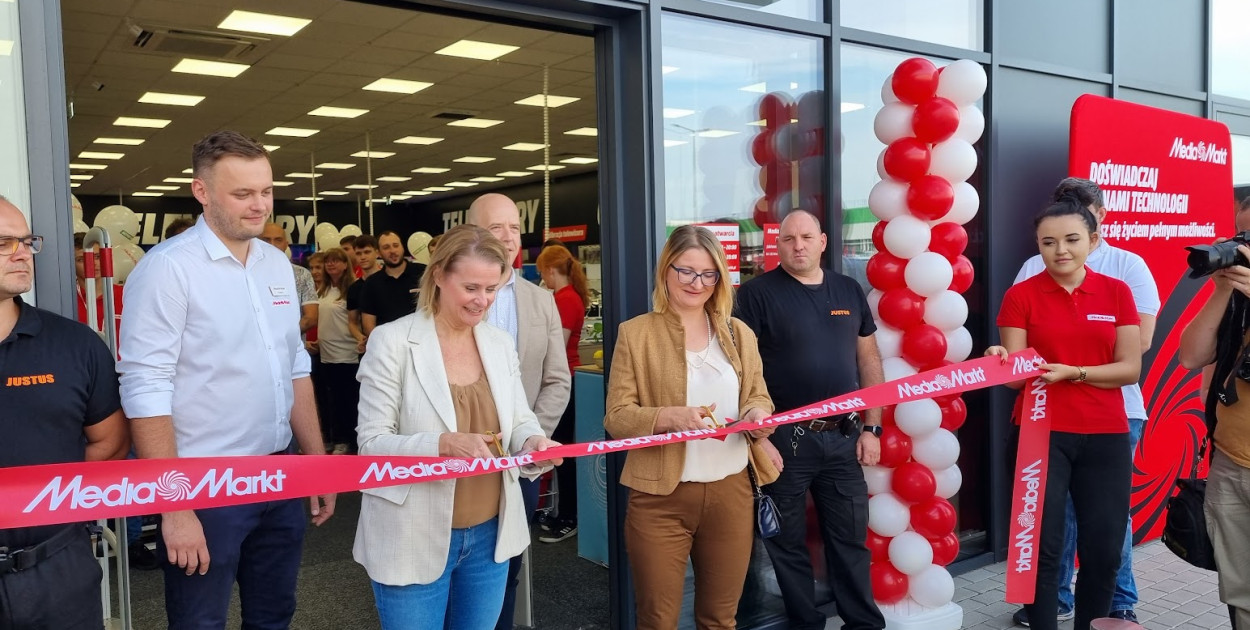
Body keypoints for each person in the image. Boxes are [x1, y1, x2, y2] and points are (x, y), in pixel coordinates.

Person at [118, 130, 335, 630]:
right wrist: (173, 506)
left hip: (278, 473)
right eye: (242, 194)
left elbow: (294, 366)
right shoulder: (168, 270)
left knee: (275, 613)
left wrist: (317, 463)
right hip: (205, 482)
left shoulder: (277, 265)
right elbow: (145, 387)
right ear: (202, 192)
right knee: (199, 621)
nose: (259, 206)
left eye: (266, 191)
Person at [353, 224, 562, 630]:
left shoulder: (498, 343)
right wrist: (442, 444)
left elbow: (518, 419)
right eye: (471, 288)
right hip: (411, 532)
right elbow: (372, 443)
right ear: (438, 277)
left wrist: (533, 440)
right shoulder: (391, 341)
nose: (482, 300)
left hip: (491, 535)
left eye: (492, 288)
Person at [605, 224, 782, 629]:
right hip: (659, 499)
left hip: (731, 493)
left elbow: (759, 397)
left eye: (707, 274)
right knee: (658, 620)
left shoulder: (739, 333)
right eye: (685, 270)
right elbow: (616, 417)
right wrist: (668, 417)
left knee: (720, 619)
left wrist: (757, 418)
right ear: (666, 269)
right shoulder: (635, 334)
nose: (696, 283)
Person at [985, 194, 1141, 630]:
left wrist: (1076, 372)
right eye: (1048, 242)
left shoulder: (1116, 291)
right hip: (1040, 435)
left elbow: (1130, 368)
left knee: (1105, 548)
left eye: (1072, 239)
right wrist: (1001, 359)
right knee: (1043, 547)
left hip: (1106, 433)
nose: (1060, 251)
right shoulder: (1021, 296)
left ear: (1093, 239)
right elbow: (1016, 377)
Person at [734, 210, 885, 630]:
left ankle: (864, 625)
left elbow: (868, 358)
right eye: (788, 239)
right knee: (786, 544)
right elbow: (742, 369)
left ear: (822, 241)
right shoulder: (755, 295)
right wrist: (758, 438)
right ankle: (806, 624)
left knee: (851, 542)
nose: (797, 245)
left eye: (805, 237)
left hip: (842, 437)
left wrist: (873, 427)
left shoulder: (849, 290)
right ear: (777, 245)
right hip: (783, 440)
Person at [0, 195, 130, 629]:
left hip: (57, 567)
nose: (21, 254)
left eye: (26, 241)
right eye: (3, 243)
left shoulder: (76, 345)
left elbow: (110, 442)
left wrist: (42, 498)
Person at [465, 193, 570, 630]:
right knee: (452, 569)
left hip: (521, 464)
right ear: (471, 235)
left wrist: (528, 441)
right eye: (496, 228)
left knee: (506, 569)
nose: (508, 238)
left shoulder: (540, 300)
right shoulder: (448, 298)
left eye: (514, 228)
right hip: (459, 459)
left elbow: (557, 380)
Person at [1179, 195, 1250, 630]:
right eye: (1242, 235)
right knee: (1241, 593)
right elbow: (1190, 356)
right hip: (1231, 463)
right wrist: (1222, 289)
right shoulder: (1237, 296)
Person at [535, 244, 590, 543]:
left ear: (551, 270)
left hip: (564, 381)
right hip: (562, 379)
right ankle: (562, 512)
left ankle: (569, 515)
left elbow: (556, 346)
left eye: (543, 272)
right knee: (559, 451)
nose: (543, 278)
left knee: (564, 453)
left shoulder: (565, 300)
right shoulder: (562, 298)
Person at [317, 247, 362, 455]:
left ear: (346, 264)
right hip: (326, 355)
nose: (331, 264)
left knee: (349, 401)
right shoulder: (321, 291)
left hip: (348, 353)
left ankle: (349, 441)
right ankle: (334, 438)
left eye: (336, 260)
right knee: (330, 402)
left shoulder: (353, 289)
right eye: (328, 261)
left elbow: (356, 321)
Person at [360, 230, 426, 337]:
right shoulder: (371, 283)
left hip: (421, 342)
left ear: (402, 247)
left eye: (396, 245)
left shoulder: (423, 273)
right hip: (388, 347)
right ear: (378, 253)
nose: (392, 250)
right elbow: (368, 324)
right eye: (386, 247)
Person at [260, 222, 318, 335]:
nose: (272, 244)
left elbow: (311, 318)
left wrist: (281, 338)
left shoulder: (301, 274)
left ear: (286, 244)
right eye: (266, 240)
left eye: (278, 240)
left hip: (293, 349)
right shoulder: (245, 274)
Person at [73, 231, 123, 335]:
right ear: (71, 263)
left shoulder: (125, 295)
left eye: (97, 257)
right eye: (81, 259)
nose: (92, 263)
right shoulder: (67, 299)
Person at [348, 234, 379, 353]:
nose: (363, 257)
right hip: (369, 348)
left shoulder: (390, 280)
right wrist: (361, 337)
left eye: (367, 252)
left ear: (377, 253)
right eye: (358, 253)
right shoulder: (354, 288)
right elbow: (352, 322)